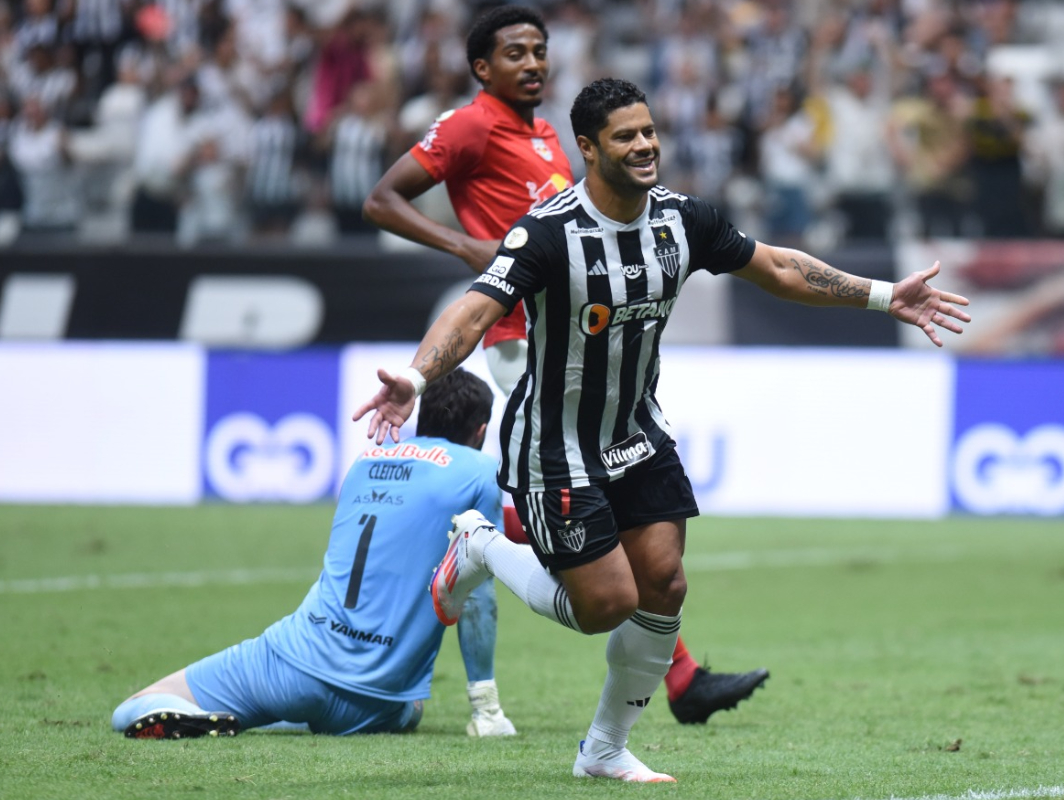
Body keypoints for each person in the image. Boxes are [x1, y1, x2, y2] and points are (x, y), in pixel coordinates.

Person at [353, 78, 971, 782]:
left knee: (664, 584)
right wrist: (418, 376)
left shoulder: (684, 219)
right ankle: (482, 546)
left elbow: (775, 267)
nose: (645, 145)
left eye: (648, 131)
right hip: (554, 445)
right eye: (626, 136)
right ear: (588, 148)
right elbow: (473, 312)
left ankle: (604, 751)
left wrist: (885, 295)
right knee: (604, 605)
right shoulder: (548, 232)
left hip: (636, 433)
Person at [362, 5, 769, 726]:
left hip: (578, 338)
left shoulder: (549, 136)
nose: (534, 63)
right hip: (526, 339)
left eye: (541, 50)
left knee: (613, 529)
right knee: (564, 497)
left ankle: (674, 678)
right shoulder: (470, 126)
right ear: (482, 68)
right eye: (515, 52)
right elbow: (382, 198)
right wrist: (464, 247)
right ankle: (481, 552)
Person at [112, 369, 519, 739]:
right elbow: (475, 594)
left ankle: (230, 715)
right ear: (481, 431)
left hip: (291, 664)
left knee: (132, 709)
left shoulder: (365, 461)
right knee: (412, 710)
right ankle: (308, 714)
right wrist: (486, 708)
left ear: (421, 414)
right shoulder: (480, 471)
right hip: (378, 700)